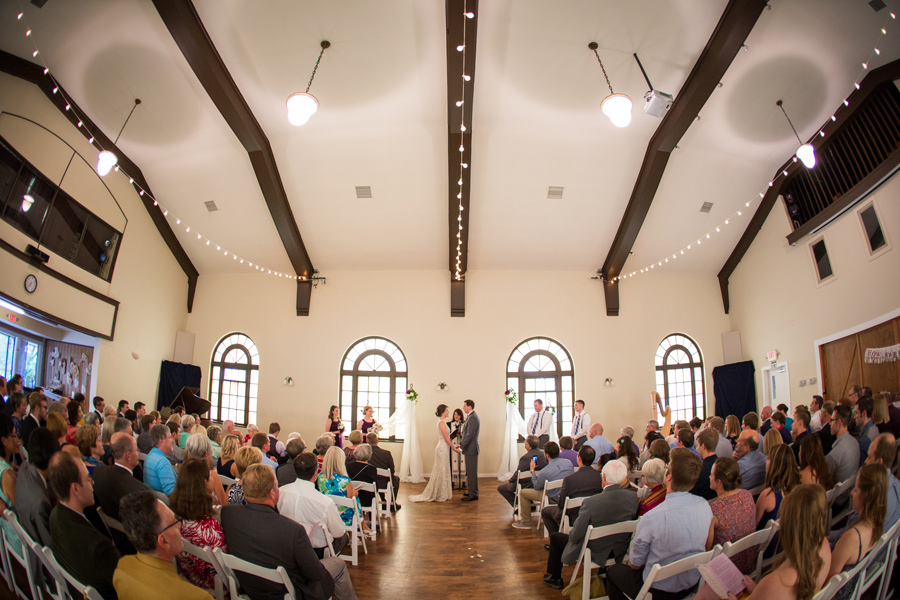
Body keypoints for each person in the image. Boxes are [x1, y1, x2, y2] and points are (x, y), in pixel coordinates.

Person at [220, 464, 358, 600]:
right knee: (338, 564)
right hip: (285, 591)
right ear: (272, 493)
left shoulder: (227, 514)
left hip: (248, 585)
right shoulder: (292, 530)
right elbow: (315, 573)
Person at [606, 448, 714, 600]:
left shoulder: (652, 517)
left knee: (612, 572)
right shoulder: (705, 506)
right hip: (691, 582)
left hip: (657, 589)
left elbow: (635, 564)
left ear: (668, 476)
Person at [697, 484, 832, 600]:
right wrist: (758, 591)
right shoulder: (824, 546)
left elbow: (773, 591)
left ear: (788, 527)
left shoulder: (775, 582)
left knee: (705, 592)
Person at [543, 460, 638, 590]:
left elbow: (575, 536)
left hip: (595, 552)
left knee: (556, 537)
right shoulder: (633, 497)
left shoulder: (591, 502)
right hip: (620, 550)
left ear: (603, 477)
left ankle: (555, 578)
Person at [47, 452, 120, 599]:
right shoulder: (98, 547)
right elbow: (125, 583)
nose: (92, 483)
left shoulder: (55, 516)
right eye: (88, 478)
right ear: (75, 489)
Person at [113, 489, 209, 599]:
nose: (180, 526)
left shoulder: (122, 567)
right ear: (164, 541)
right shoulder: (198, 597)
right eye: (174, 522)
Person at [828, 464, 887, 600]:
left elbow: (827, 585)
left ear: (866, 497)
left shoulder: (852, 537)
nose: (852, 493)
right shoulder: (877, 525)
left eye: (856, 489)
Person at [168, 459, 228, 591]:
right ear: (205, 484)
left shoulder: (175, 517)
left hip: (189, 574)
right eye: (210, 475)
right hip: (214, 582)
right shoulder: (211, 526)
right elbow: (226, 563)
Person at [278, 453, 349, 558]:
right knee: (344, 536)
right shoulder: (325, 502)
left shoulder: (281, 492)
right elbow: (338, 532)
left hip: (287, 542)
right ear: (315, 473)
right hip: (316, 550)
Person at [541, 445, 602, 537]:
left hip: (573, 517)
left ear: (579, 458)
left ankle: (557, 539)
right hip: (594, 514)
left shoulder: (569, 479)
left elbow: (561, 505)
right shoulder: (600, 476)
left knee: (545, 511)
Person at [708, 458, 756, 573]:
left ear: (719, 482)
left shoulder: (714, 510)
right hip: (750, 562)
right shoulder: (747, 495)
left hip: (727, 570)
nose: (709, 477)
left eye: (711, 475)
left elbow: (708, 550)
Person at [512, 441, 574, 529]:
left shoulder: (545, 471)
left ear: (547, 455)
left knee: (523, 493)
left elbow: (537, 487)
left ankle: (526, 522)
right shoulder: (568, 463)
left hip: (552, 498)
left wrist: (532, 471)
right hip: (566, 496)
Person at [409, 404, 460, 503]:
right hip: (442, 448)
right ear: (443, 412)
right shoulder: (441, 423)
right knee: (441, 469)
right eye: (447, 410)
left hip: (444, 447)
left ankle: (441, 492)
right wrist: (454, 448)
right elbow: (446, 439)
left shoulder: (442, 422)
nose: (448, 412)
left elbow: (448, 437)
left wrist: (453, 440)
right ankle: (439, 493)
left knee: (443, 469)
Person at [15, 427, 55, 547]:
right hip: (39, 553)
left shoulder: (24, 467)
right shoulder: (41, 504)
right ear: (51, 458)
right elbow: (50, 547)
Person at [317, 445, 369, 533]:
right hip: (343, 518)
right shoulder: (345, 480)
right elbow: (350, 499)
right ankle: (360, 527)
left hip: (326, 514)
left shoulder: (320, 477)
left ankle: (363, 526)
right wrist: (355, 493)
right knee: (355, 499)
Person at [756, 444, 800, 530]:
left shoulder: (768, 495)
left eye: (769, 459)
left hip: (768, 537)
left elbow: (753, 526)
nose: (766, 462)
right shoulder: (798, 490)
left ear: (775, 465)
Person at [497, 434, 547, 507]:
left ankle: (524, 505)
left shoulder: (525, 458)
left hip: (527, 484)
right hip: (540, 483)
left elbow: (518, 473)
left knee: (502, 488)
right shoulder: (544, 455)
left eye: (525, 442)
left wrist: (510, 480)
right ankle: (529, 504)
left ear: (528, 445)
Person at [185, 432, 228, 506]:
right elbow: (223, 505)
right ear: (205, 454)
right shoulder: (211, 475)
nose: (212, 452)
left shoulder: (184, 472)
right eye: (211, 450)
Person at [827, 404, 860, 486]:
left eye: (832, 420)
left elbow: (825, 481)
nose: (829, 424)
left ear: (839, 422)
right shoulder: (855, 442)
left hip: (838, 493)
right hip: (850, 488)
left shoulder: (833, 455)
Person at [0, 413, 19, 554]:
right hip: (17, 541)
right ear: (4, 441)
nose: (18, 440)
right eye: (14, 435)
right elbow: (22, 513)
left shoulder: (6, 467)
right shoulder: (8, 475)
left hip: (6, 535)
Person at [366, 432, 400, 509]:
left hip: (370, 481)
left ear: (367, 441)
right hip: (384, 482)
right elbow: (392, 470)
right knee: (396, 479)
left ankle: (383, 500)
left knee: (378, 477)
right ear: (377, 441)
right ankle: (392, 503)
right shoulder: (386, 453)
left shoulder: (366, 454)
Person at [144, 424, 177, 495]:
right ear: (161, 441)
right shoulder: (162, 462)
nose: (173, 440)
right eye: (170, 437)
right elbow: (171, 493)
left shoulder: (150, 455)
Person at [346, 443, 379, 510]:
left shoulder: (348, 466)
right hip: (367, 501)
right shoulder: (372, 469)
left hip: (352, 498)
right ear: (369, 455)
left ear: (355, 453)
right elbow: (376, 489)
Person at [689, 428, 719, 501]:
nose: (697, 448)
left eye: (698, 445)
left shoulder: (701, 471)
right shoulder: (721, 463)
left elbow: (693, 493)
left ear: (703, 446)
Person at [460, 399, 480, 501]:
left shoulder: (473, 417)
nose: (463, 408)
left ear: (469, 407)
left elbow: (470, 435)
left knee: (472, 473)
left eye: (464, 406)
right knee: (470, 473)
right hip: (469, 449)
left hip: (471, 449)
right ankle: (472, 491)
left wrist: (461, 447)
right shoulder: (471, 416)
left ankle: (473, 494)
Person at [856, 396, 877, 467]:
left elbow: (860, 468)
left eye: (856, 413)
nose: (854, 416)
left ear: (864, 414)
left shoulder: (864, 440)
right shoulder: (874, 427)